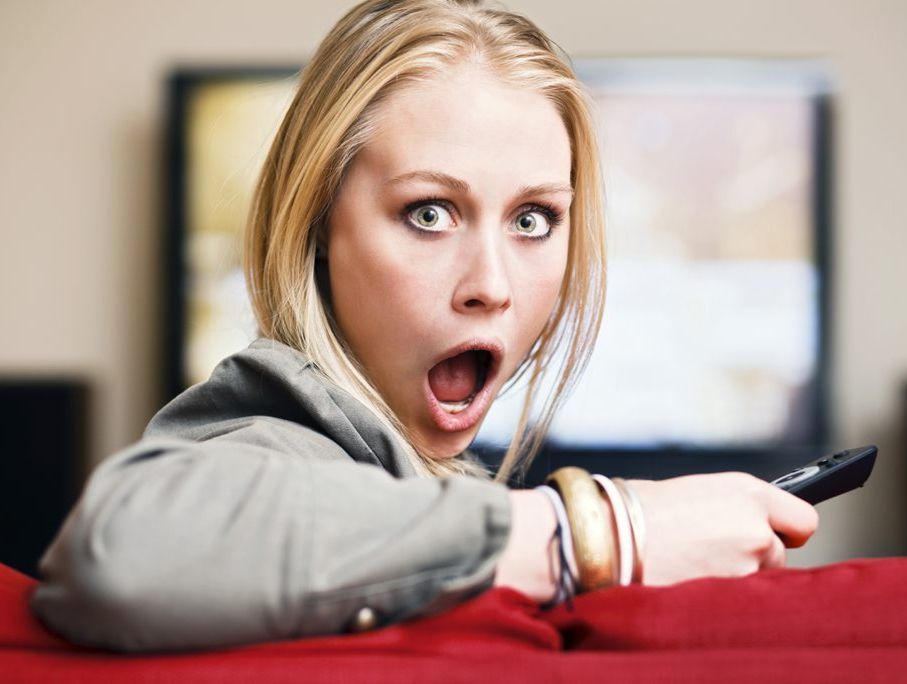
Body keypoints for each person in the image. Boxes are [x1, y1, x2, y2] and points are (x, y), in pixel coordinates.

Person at [30, 0, 818, 653]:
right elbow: (125, 551)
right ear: (314, 230)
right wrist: (598, 534)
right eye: (429, 213)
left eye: (535, 219)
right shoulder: (270, 440)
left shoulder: (423, 484)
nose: (492, 286)